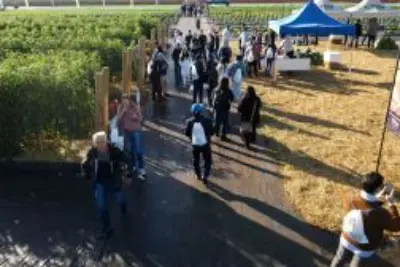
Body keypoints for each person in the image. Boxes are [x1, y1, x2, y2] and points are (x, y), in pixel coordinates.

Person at [331, 172, 400, 267]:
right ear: (378, 189)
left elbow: (363, 206)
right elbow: (396, 227)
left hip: (347, 237)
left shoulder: (350, 197)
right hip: (364, 247)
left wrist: (376, 199)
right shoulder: (380, 213)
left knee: (339, 258)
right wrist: (391, 204)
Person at [82, 131, 132, 239]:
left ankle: (123, 208)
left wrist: (128, 175)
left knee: (120, 200)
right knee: (102, 205)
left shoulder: (114, 151)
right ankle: (107, 228)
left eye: (102, 142)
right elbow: (85, 164)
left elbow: (128, 160)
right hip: (100, 182)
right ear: (95, 143)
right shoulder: (92, 152)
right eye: (98, 142)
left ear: (106, 141)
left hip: (114, 180)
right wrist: (87, 175)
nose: (101, 145)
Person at [117, 93, 146, 179]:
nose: (125, 102)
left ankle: (141, 168)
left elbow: (141, 119)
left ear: (129, 100)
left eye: (126, 100)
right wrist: (123, 112)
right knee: (130, 150)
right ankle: (132, 166)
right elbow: (118, 122)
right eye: (123, 100)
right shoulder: (120, 108)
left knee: (138, 150)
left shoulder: (135, 107)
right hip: (126, 131)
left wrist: (136, 117)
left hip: (136, 130)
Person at [185, 103, 214, 184]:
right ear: (201, 111)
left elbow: (187, 133)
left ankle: (198, 174)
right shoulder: (207, 120)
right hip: (205, 144)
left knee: (196, 159)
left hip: (195, 145)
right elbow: (212, 132)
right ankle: (205, 175)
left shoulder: (189, 122)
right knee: (207, 160)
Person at [213, 77, 234, 141]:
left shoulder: (216, 89)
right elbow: (231, 99)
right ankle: (223, 135)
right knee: (224, 122)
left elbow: (213, 97)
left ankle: (216, 132)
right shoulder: (228, 91)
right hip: (225, 107)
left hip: (217, 107)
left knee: (217, 120)